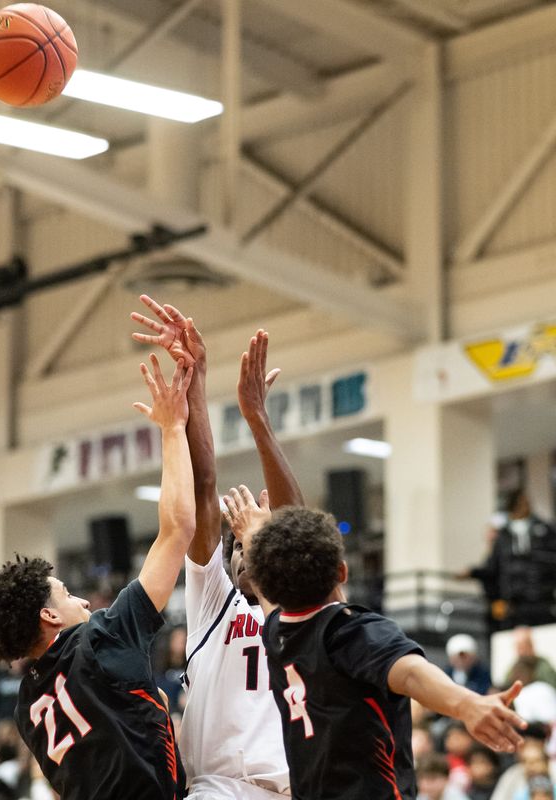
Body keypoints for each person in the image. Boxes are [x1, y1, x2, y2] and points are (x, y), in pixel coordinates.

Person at [0, 355, 195, 800]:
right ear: (49, 615)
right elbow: (177, 531)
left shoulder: (27, 707)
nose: (86, 603)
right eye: (68, 594)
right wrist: (172, 430)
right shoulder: (99, 639)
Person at [223, 490, 528, 800]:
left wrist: (251, 535)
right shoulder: (351, 631)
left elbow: (265, 592)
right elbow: (411, 674)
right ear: (342, 571)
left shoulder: (277, 633)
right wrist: (466, 704)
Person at [132, 295, 302, 798]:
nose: (246, 551)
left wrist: (256, 418)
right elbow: (204, 488)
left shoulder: (302, 609)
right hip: (219, 789)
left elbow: (298, 529)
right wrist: (198, 378)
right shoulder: (216, 603)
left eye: (260, 540)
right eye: (239, 546)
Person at [466, 491, 556, 628]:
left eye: (526, 503)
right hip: (513, 604)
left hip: (542, 600)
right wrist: (473, 572)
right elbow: (492, 568)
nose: (525, 506)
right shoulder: (503, 536)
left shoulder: (544, 530)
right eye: (520, 503)